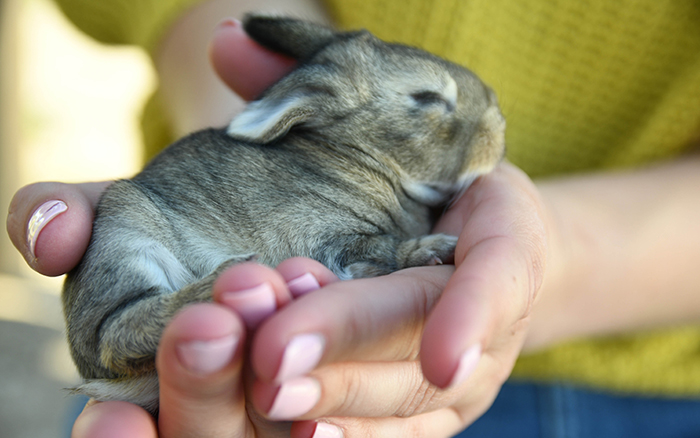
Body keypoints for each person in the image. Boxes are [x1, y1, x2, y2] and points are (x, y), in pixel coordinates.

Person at [6, 0, 700, 437]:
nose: (487, 125)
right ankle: (145, 324)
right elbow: (332, 247)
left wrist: (539, 259)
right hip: (185, 389)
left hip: (659, 401)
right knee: (126, 218)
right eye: (430, 102)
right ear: (318, 107)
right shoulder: (317, 171)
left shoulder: (387, 199)